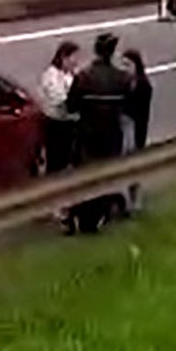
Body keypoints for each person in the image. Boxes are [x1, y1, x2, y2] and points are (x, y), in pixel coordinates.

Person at [65, 32, 134, 232]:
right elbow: (129, 106)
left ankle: (81, 216)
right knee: (106, 175)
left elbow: (71, 106)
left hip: (87, 134)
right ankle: (100, 215)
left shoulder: (83, 77)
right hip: (111, 135)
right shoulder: (123, 78)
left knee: (84, 175)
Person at [37, 40, 81, 175]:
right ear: (64, 57)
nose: (76, 62)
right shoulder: (51, 75)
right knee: (56, 162)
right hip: (56, 124)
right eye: (74, 57)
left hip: (71, 123)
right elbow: (59, 100)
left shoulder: (71, 74)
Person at [122, 49, 152, 153]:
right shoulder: (125, 82)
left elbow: (141, 110)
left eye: (128, 65)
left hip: (136, 125)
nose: (125, 69)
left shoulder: (143, 85)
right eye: (124, 65)